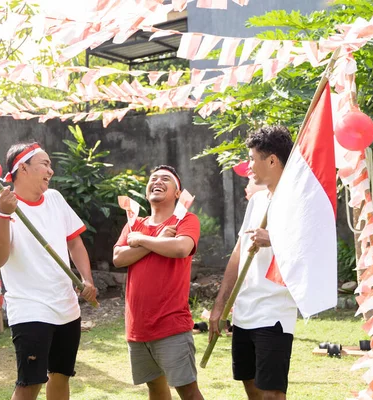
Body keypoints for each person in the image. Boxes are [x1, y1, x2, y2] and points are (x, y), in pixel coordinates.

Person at [0, 142, 97, 400]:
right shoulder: (0, 209)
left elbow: (74, 242)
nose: (51, 170)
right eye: (45, 164)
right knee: (30, 383)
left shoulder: (55, 199)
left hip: (67, 307)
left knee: (60, 376)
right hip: (30, 308)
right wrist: (4, 215)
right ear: (23, 168)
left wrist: (86, 279)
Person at [208, 126, 295, 400]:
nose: (248, 167)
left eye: (252, 159)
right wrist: (220, 306)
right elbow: (238, 253)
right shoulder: (257, 200)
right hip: (244, 311)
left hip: (275, 312)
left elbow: (310, 250)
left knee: (271, 393)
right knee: (252, 387)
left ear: (272, 160)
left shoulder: (299, 201)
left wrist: (275, 239)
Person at [113, 165, 204, 400]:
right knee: (155, 388)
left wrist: (142, 240)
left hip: (171, 325)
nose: (158, 181)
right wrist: (154, 239)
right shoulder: (134, 224)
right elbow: (118, 258)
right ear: (146, 192)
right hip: (138, 327)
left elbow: (181, 248)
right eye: (153, 179)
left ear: (177, 193)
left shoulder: (185, 220)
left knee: (188, 392)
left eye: (166, 179)